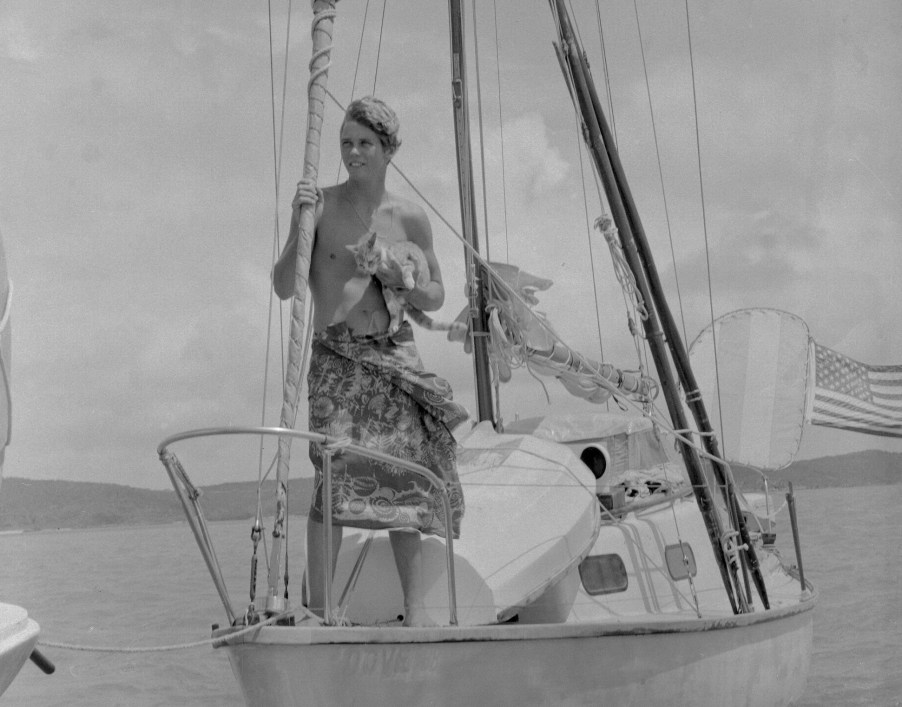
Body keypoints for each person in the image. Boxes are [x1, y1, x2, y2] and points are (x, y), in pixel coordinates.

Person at [273, 96, 466, 627]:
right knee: (332, 482)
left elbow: (435, 296)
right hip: (337, 357)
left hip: (395, 355)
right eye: (346, 143)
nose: (353, 152)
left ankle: (418, 613)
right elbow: (284, 286)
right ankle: (321, 612)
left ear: (388, 150)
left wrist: (394, 273)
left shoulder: (409, 217)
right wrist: (298, 221)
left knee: (408, 483)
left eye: (364, 143)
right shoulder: (322, 206)